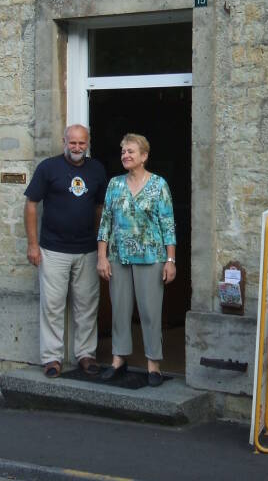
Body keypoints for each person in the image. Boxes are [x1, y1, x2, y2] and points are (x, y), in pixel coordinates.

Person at [24, 124, 107, 378]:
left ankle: (85, 354)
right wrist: (32, 244)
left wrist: (99, 242)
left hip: (87, 250)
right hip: (53, 249)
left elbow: (100, 209)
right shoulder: (48, 168)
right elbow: (30, 206)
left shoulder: (97, 169)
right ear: (64, 142)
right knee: (52, 306)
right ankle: (52, 358)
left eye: (82, 143)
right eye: (73, 143)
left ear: (88, 143)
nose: (77, 148)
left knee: (87, 305)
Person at [97, 133, 176, 387]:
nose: (126, 155)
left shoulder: (159, 185)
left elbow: (167, 224)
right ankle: (118, 360)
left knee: (150, 312)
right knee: (119, 309)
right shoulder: (114, 184)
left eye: (131, 151)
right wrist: (102, 257)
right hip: (118, 256)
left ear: (144, 156)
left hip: (151, 256)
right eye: (123, 151)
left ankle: (154, 365)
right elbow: (105, 222)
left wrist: (171, 259)